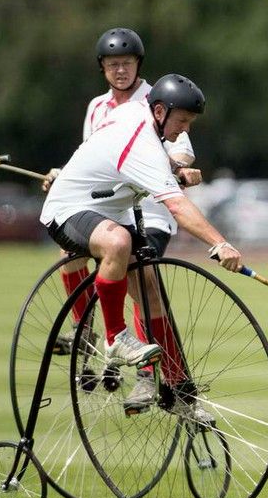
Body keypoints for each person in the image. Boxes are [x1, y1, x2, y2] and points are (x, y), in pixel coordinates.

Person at [40, 74, 241, 421]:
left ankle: (178, 388)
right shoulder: (141, 139)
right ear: (160, 111)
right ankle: (114, 337)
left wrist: (175, 167)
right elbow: (177, 207)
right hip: (69, 211)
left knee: (150, 289)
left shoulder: (140, 118)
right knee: (117, 242)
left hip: (109, 211)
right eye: (182, 122)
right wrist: (219, 244)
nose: (183, 130)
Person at [44, 28, 201, 357]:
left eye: (126, 63)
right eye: (113, 64)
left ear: (138, 64)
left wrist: (175, 167)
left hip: (151, 212)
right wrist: (63, 175)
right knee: (69, 254)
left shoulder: (158, 99)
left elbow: (181, 149)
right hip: (108, 209)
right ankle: (84, 332)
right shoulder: (97, 107)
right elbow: (94, 153)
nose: (120, 70)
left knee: (142, 283)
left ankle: (150, 375)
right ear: (102, 67)